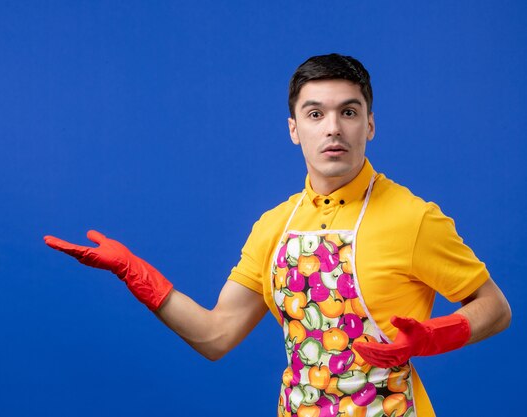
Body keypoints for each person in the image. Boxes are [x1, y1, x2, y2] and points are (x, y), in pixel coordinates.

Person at [44, 53, 511, 417]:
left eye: (349, 112)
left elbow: (495, 308)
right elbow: (216, 335)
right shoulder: (274, 226)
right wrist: (134, 273)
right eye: (315, 114)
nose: (333, 128)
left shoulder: (414, 218)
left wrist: (431, 336)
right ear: (294, 129)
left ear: (369, 124)